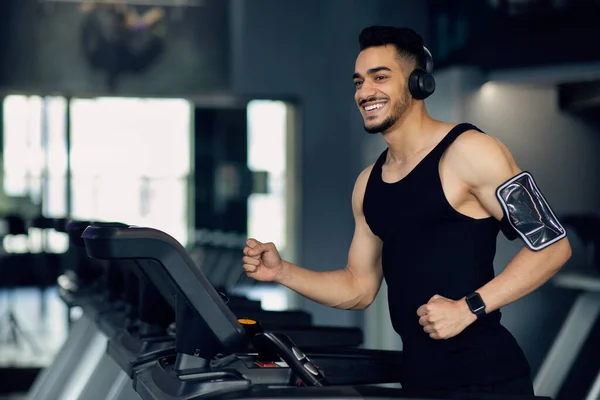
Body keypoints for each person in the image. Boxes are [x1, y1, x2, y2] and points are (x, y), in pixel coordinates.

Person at [242, 25, 572, 395]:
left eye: (380, 77)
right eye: (358, 82)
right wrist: (284, 272)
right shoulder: (368, 184)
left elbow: (552, 246)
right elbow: (358, 287)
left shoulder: (471, 151)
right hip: (418, 378)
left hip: (486, 378)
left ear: (418, 84)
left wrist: (469, 308)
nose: (365, 92)